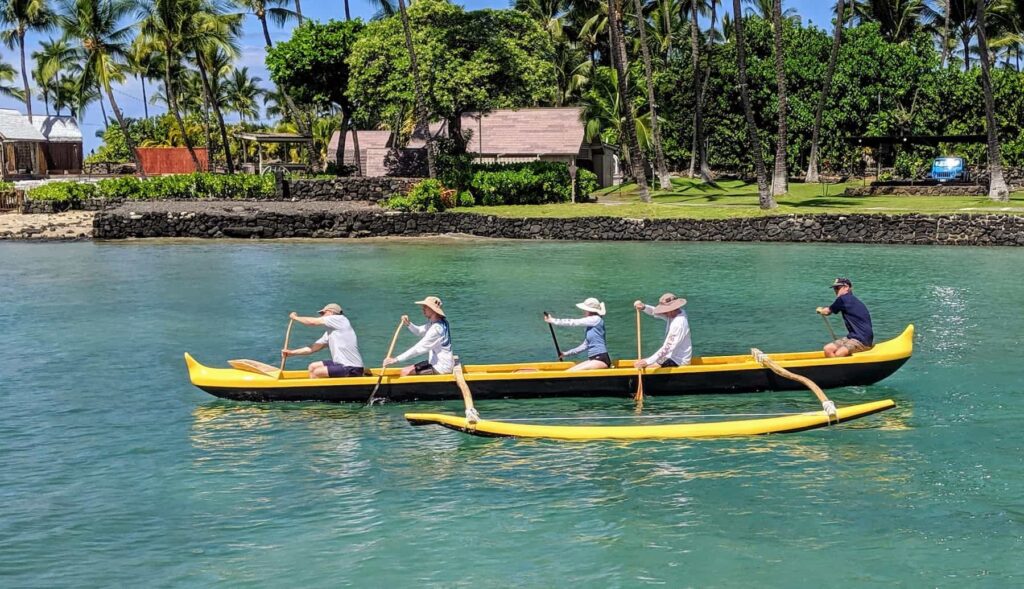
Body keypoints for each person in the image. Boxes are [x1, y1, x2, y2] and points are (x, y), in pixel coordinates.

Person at [282, 303, 365, 378]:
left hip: (352, 368)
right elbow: (313, 348)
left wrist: (295, 318)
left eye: (323, 313)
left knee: (317, 372)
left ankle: (316, 394)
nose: (321, 316)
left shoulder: (339, 319)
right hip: (340, 364)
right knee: (313, 367)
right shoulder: (331, 332)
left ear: (331, 312)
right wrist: (292, 353)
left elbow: (312, 322)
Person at [384, 296, 454, 376]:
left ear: (433, 310)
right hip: (435, 363)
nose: (423, 309)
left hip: (441, 368)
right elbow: (419, 331)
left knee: (405, 373)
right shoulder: (438, 323)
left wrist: (396, 359)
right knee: (404, 370)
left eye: (425, 307)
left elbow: (418, 349)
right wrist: (408, 324)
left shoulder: (436, 329)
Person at [544, 297, 612, 371]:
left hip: (601, 359)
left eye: (585, 310)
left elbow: (574, 322)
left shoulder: (595, 319)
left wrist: (553, 320)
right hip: (594, 359)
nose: (584, 312)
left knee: (569, 373)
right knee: (567, 372)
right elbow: (584, 345)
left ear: (588, 310)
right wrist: (566, 353)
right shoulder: (591, 325)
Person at [817, 277, 874, 357]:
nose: (836, 291)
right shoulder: (850, 300)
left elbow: (827, 311)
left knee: (839, 354)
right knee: (827, 349)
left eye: (837, 288)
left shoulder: (843, 299)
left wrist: (821, 310)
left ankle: (838, 367)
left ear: (846, 287)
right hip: (852, 337)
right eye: (834, 288)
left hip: (862, 340)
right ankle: (834, 368)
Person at [633, 293, 692, 369]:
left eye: (665, 310)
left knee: (645, 367)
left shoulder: (679, 324)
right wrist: (644, 307)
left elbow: (667, 347)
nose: (664, 312)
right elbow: (655, 312)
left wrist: (647, 362)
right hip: (669, 356)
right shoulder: (678, 312)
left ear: (672, 309)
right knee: (637, 363)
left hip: (678, 361)